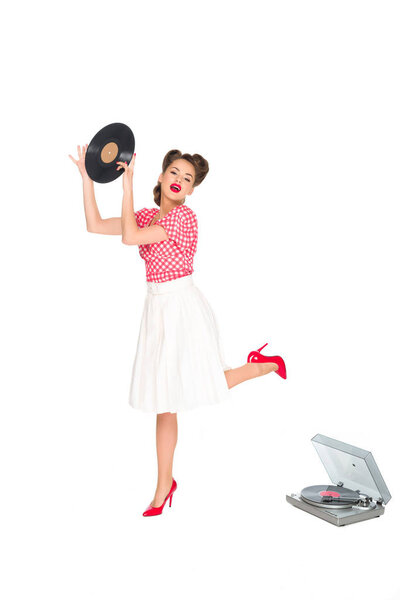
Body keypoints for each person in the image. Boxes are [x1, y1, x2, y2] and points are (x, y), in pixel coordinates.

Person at [69, 145, 286, 517]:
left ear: (190, 190)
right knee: (164, 402)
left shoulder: (183, 218)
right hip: (156, 308)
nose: (179, 180)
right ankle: (163, 485)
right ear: (162, 176)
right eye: (174, 172)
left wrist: (127, 185)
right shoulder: (148, 214)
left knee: (205, 383)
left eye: (187, 178)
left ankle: (263, 365)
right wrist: (88, 181)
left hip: (182, 306)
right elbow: (95, 225)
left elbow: (130, 238)